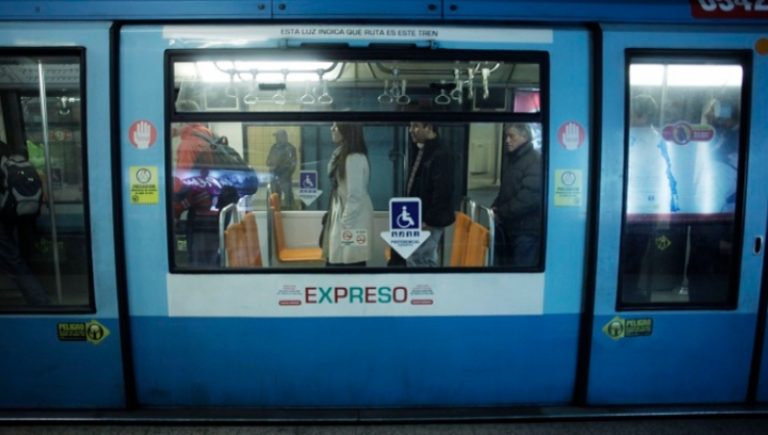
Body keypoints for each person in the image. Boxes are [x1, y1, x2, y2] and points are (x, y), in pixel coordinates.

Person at [390, 122, 455, 267]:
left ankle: (423, 283)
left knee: (421, 259)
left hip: (428, 221)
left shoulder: (441, 154)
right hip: (418, 218)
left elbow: (442, 191)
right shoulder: (422, 150)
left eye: (416, 126)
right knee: (414, 258)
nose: (411, 130)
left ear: (429, 127)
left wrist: (429, 221)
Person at [0, 140, 49, 306]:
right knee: (14, 259)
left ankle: (41, 302)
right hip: (13, 215)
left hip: (4, 218)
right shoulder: (12, 163)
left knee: (14, 263)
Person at [321, 123, 373, 267]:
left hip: (352, 220)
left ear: (347, 130)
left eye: (336, 126)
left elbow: (355, 195)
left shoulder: (353, 157)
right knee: (342, 262)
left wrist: (345, 224)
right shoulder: (341, 154)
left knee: (349, 265)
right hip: (346, 217)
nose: (331, 129)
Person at [491, 123, 542, 267]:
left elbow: (529, 197)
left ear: (524, 137)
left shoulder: (534, 161)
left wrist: (502, 212)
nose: (507, 140)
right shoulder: (514, 160)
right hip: (512, 227)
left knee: (521, 271)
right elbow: (508, 189)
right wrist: (495, 205)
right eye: (506, 136)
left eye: (511, 136)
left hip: (526, 231)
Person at [267, 129, 297, 208]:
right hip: (274, 176)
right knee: (275, 198)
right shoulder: (274, 147)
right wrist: (272, 165)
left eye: (278, 136)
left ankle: (289, 210)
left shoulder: (290, 148)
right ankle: (277, 211)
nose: (276, 138)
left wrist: (286, 174)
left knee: (288, 197)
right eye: (276, 137)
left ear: (284, 137)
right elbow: (268, 161)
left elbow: (293, 164)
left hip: (285, 177)